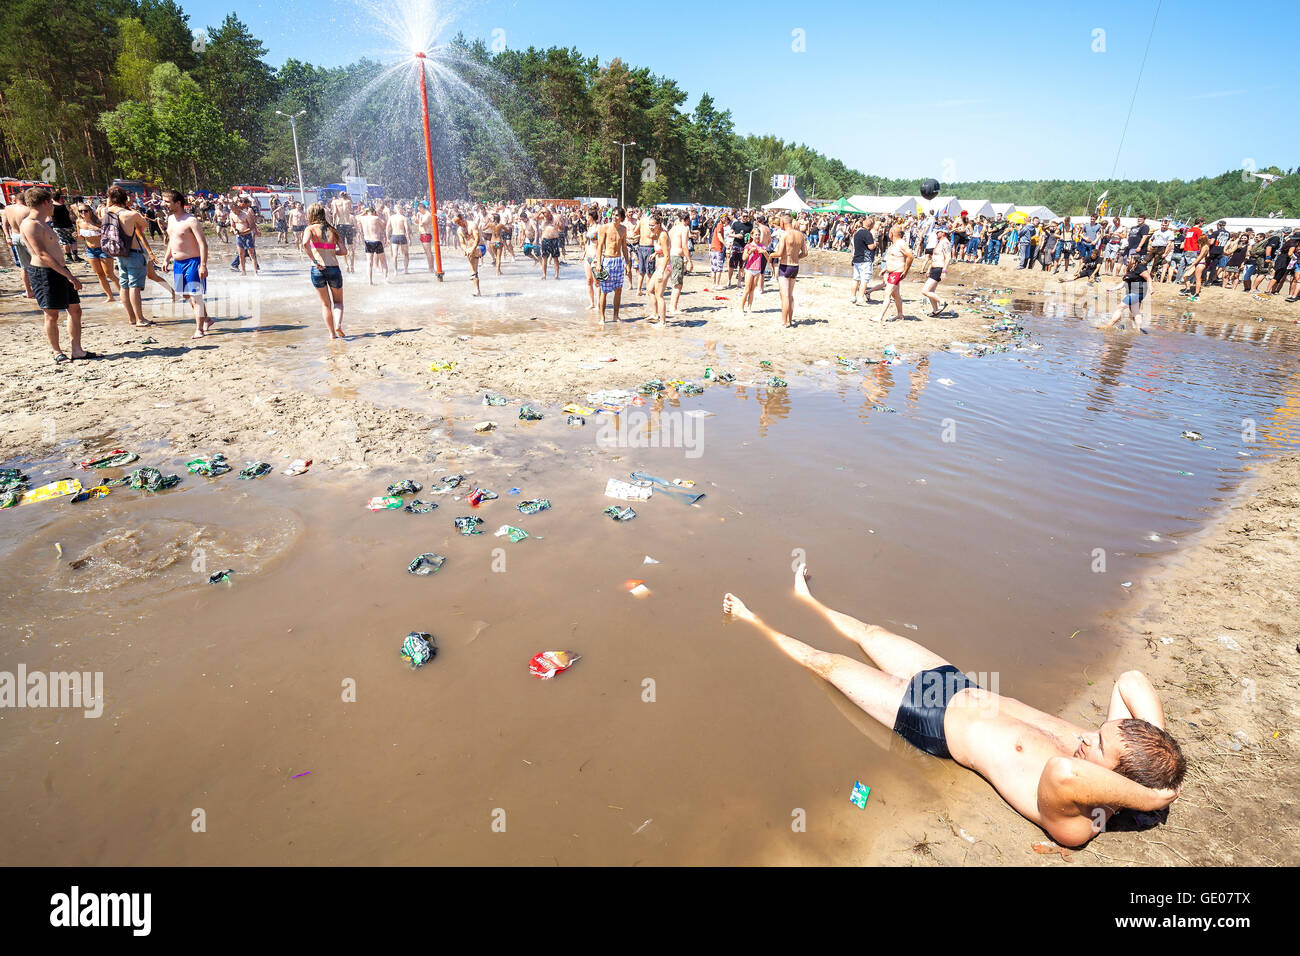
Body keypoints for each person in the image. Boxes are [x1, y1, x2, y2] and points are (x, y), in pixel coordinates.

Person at [723, 565, 1185, 848]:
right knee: (873, 634)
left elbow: (1064, 775)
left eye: (1098, 744)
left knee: (829, 664)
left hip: (927, 720)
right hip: (958, 684)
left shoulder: (1079, 820)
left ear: (1116, 780)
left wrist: (1149, 798)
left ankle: (751, 620)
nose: (1087, 735)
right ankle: (807, 599)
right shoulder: (1107, 757)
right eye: (1098, 733)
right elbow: (1131, 680)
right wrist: (1155, 759)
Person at [20, 188, 91, 362]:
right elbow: (41, 254)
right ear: (45, 203)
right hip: (45, 273)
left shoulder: (44, 222)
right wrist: (70, 276)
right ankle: (57, 352)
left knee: (75, 309)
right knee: (51, 314)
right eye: (51, 203)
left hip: (60, 270)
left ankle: (77, 350)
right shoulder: (31, 224)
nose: (53, 206)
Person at [102, 185, 162, 328]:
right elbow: (144, 224)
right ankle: (140, 319)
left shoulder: (106, 212)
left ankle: (131, 318)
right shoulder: (130, 214)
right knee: (134, 287)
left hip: (118, 254)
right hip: (133, 253)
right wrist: (132, 209)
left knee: (124, 286)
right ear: (125, 198)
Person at [162, 190, 210, 337]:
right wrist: (166, 258)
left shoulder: (191, 220)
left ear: (178, 203)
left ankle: (199, 329)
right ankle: (206, 318)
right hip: (178, 263)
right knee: (184, 294)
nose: (164, 204)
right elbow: (172, 240)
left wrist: (203, 264)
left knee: (196, 296)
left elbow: (203, 244)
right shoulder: (170, 219)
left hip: (193, 263)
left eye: (167, 202)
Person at [301, 202, 346, 340]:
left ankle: (332, 334)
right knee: (338, 302)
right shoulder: (333, 230)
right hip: (333, 268)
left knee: (326, 304)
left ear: (311, 215)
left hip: (317, 269)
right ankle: (338, 324)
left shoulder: (310, 229)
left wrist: (315, 260)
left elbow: (304, 244)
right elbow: (344, 251)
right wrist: (332, 251)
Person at [74, 203, 118, 302]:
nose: (83, 213)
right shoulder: (79, 222)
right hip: (90, 250)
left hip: (103, 249)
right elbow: (81, 237)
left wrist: (96, 229)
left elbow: (109, 233)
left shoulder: (98, 220)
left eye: (85, 210)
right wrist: (77, 236)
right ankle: (110, 296)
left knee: (109, 274)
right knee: (99, 274)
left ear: (90, 211)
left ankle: (124, 294)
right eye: (81, 211)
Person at [771, 212, 806, 329]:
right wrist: (796, 257)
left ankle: (784, 321)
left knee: (785, 296)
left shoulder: (785, 235)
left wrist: (771, 255)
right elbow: (805, 253)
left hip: (785, 266)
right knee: (790, 295)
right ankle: (790, 320)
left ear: (783, 222)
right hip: (795, 266)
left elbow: (780, 253)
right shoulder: (800, 235)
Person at [595, 206, 630, 324]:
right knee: (603, 290)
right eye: (613, 215)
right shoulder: (604, 228)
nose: (614, 217)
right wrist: (598, 263)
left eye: (617, 215)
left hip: (618, 261)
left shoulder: (623, 229)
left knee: (618, 290)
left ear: (621, 218)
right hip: (607, 261)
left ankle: (616, 316)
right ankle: (602, 317)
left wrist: (628, 263)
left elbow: (624, 247)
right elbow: (599, 246)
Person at [1104, 253, 1153, 333]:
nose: (1127, 260)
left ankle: (1108, 326)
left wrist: (1151, 288)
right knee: (1135, 312)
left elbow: (1148, 278)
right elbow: (1125, 282)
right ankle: (1138, 330)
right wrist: (1113, 289)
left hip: (1137, 292)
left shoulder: (1140, 267)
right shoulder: (1129, 268)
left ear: (1134, 260)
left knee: (1119, 307)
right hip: (1134, 293)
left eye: (1129, 258)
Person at [876, 224, 914, 322]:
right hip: (891, 271)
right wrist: (885, 269)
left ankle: (880, 316)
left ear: (892, 233)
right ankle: (900, 314)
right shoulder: (894, 244)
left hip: (898, 272)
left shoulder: (901, 243)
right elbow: (893, 258)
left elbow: (910, 256)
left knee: (887, 293)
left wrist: (906, 270)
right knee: (895, 295)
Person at [3, 194, 37, 299]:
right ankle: (40, 289)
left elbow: (4, 224)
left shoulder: (7, 209)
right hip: (26, 236)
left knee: (24, 267)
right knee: (37, 263)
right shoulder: (27, 210)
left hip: (14, 236)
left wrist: (8, 237)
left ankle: (28, 291)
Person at [920, 226, 951, 317]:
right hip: (934, 268)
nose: (937, 233)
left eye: (938, 232)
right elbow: (934, 258)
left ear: (943, 233)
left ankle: (942, 302)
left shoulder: (945, 243)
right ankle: (935, 310)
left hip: (939, 268)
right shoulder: (939, 242)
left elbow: (948, 257)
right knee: (931, 291)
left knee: (925, 291)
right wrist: (929, 269)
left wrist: (944, 270)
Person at [667, 212, 692, 315]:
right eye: (688, 220)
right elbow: (684, 246)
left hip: (671, 256)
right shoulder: (684, 228)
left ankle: (672, 306)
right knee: (678, 284)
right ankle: (673, 308)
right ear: (685, 220)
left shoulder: (673, 228)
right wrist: (689, 260)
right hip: (677, 257)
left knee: (674, 283)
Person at [850, 217, 878, 306]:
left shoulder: (857, 232)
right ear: (871, 225)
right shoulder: (867, 233)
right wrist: (875, 244)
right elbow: (870, 247)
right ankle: (860, 298)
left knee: (856, 279)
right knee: (864, 280)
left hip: (856, 258)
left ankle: (853, 296)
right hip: (865, 259)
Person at [358, 205, 389, 284]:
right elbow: (384, 225)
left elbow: (356, 217)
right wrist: (377, 215)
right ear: (374, 212)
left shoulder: (362, 218)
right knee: (383, 261)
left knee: (369, 262)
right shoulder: (376, 218)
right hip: (377, 240)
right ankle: (385, 279)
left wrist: (363, 212)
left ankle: (370, 281)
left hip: (368, 241)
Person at [454, 213, 482, 296]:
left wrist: (472, 249)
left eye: (459, 222)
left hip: (480, 247)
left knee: (473, 268)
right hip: (471, 250)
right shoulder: (459, 230)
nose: (459, 224)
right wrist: (465, 250)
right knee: (474, 269)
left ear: (462, 218)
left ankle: (473, 274)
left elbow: (477, 239)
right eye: (457, 223)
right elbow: (462, 243)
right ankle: (477, 291)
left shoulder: (472, 225)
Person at [231, 198, 261, 274]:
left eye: (235, 211)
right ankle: (242, 270)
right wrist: (233, 230)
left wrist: (255, 230)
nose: (235, 212)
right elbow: (232, 225)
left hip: (247, 234)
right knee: (241, 253)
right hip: (239, 236)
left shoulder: (247, 212)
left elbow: (252, 225)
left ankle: (255, 270)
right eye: (233, 211)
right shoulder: (232, 213)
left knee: (251, 252)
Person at [633, 210, 657, 295]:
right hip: (649, 247)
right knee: (649, 271)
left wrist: (641, 235)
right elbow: (654, 235)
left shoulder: (642, 220)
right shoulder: (653, 221)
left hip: (641, 246)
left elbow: (635, 231)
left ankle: (638, 290)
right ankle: (648, 291)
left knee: (641, 271)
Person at [581, 209, 600, 312]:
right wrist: (583, 254)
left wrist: (598, 258)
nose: (586, 218)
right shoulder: (589, 227)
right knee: (589, 281)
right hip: (587, 256)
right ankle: (591, 303)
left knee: (597, 281)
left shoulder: (598, 227)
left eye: (587, 216)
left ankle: (598, 304)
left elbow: (601, 244)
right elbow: (588, 242)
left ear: (592, 216)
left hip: (595, 257)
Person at [387, 204, 411, 274]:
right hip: (402, 235)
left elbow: (387, 228)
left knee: (395, 255)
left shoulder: (391, 218)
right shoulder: (403, 218)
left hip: (394, 236)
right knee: (406, 254)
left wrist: (388, 237)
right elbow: (407, 229)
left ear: (395, 210)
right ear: (400, 209)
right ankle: (406, 270)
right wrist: (409, 238)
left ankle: (395, 271)